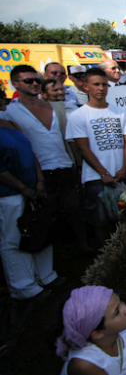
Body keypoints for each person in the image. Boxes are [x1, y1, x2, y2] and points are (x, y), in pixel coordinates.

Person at [1, 65, 90, 255]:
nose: (34, 84)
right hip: (37, 172)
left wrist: (77, 162)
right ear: (15, 84)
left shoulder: (55, 105)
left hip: (65, 166)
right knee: (45, 216)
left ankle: (83, 247)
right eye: (28, 81)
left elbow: (68, 138)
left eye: (36, 80)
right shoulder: (9, 112)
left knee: (75, 210)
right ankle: (53, 255)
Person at [65, 68, 126, 245]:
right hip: (96, 177)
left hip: (124, 173)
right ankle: (106, 253)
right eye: (96, 84)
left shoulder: (120, 112)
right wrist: (103, 173)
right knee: (99, 218)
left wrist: (125, 167)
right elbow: (83, 148)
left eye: (104, 84)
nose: (101, 88)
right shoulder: (78, 115)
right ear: (85, 86)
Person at [0, 116, 60, 301]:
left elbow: (31, 153)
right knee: (13, 239)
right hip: (10, 194)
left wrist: (40, 180)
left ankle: (45, 275)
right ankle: (24, 287)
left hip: (34, 189)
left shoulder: (11, 123)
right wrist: (22, 188)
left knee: (40, 230)